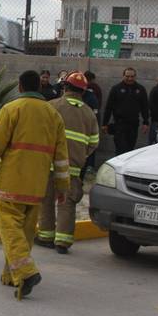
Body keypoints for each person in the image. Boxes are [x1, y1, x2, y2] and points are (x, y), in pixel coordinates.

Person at [0, 70, 70, 301]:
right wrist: (62, 186)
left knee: (10, 228)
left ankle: (26, 272)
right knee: (25, 231)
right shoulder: (53, 115)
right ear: (39, 86)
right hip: (37, 185)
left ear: (19, 86)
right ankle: (11, 275)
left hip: (11, 182)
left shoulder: (11, 110)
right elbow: (61, 156)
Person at [36, 72, 99, 254]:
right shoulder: (89, 114)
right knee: (67, 203)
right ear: (83, 91)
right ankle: (62, 242)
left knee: (46, 200)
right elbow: (94, 142)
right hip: (73, 168)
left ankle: (45, 236)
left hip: (50, 165)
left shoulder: (52, 106)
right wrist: (81, 154)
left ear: (65, 87)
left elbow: (39, 131)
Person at [102, 67, 149, 156]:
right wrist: (105, 123)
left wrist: (146, 122)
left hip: (133, 125)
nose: (130, 79)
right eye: (127, 76)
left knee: (130, 150)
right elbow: (109, 107)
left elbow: (145, 107)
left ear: (135, 76)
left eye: (132, 76)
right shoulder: (116, 88)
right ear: (123, 76)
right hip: (119, 124)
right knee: (120, 149)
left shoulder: (140, 89)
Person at [84, 70, 102, 173]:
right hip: (93, 122)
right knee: (91, 146)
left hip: (84, 123)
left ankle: (89, 167)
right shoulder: (96, 88)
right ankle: (90, 167)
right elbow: (98, 106)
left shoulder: (91, 90)